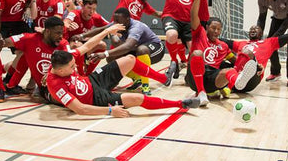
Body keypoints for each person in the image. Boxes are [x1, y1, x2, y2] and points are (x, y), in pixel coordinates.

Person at [46, 49, 200, 118]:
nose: (75, 68)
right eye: (72, 67)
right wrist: (110, 111)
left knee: (130, 59)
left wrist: (106, 31)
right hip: (97, 99)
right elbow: (80, 109)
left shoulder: (63, 60)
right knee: (136, 99)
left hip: (93, 80)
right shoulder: (56, 86)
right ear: (59, 71)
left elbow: (86, 46)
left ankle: (164, 79)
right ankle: (180, 104)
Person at [152, 0, 212, 80]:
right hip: (171, 16)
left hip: (188, 21)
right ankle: (174, 61)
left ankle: (189, 72)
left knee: (194, 51)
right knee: (172, 35)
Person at [185, 0, 234, 106]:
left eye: (219, 29)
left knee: (228, 71)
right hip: (194, 76)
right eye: (213, 28)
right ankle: (201, 92)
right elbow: (193, 16)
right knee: (197, 53)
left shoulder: (223, 46)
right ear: (207, 27)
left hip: (212, 77)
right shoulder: (199, 33)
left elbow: (236, 61)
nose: (216, 31)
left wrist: (255, 65)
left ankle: (226, 87)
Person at [230, 24, 288, 93]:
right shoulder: (241, 43)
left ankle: (239, 77)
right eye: (251, 29)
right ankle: (231, 82)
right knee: (225, 61)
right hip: (236, 78)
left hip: (254, 76)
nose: (253, 30)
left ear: (261, 33)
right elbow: (224, 42)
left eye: (256, 28)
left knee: (248, 52)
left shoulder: (269, 42)